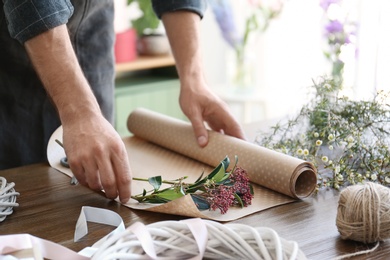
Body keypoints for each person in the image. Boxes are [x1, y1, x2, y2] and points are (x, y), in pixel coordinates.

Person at [0, 0, 245, 203]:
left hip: (92, 28)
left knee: (93, 189)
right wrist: (81, 112)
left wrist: (194, 80)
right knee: (18, 196)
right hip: (10, 47)